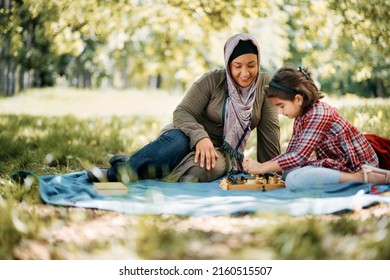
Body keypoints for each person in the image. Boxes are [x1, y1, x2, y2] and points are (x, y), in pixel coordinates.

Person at [88, 33, 281, 183]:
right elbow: (182, 112)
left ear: (259, 63)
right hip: (186, 135)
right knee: (176, 143)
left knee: (206, 169)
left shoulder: (265, 86)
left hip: (221, 151)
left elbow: (269, 132)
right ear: (228, 64)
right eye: (237, 66)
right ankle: (118, 173)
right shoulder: (211, 81)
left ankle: (141, 165)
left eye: (251, 65)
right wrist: (200, 136)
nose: (245, 73)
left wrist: (270, 172)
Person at [242, 63, 390, 189]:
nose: (280, 112)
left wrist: (262, 167)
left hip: (354, 164)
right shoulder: (301, 117)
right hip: (335, 160)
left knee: (294, 180)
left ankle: (362, 177)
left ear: (298, 99)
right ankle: (336, 177)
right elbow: (291, 153)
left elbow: (298, 157)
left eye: (281, 106)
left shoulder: (318, 113)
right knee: (287, 173)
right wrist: (262, 166)